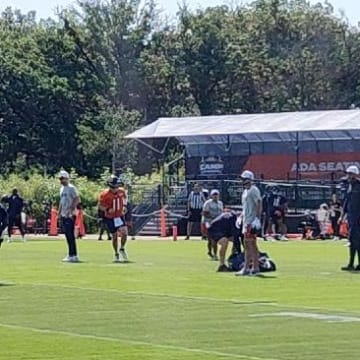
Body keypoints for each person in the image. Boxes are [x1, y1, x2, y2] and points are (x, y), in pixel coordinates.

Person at [236, 170, 262, 276]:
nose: (242, 181)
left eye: (244, 179)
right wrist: (241, 217)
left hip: (251, 221)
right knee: (247, 244)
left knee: (251, 243)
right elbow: (245, 207)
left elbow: (259, 203)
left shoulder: (253, 190)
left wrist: (257, 218)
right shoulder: (245, 192)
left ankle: (253, 267)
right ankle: (248, 267)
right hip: (246, 220)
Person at [98, 175, 129, 263]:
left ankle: (122, 248)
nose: (115, 188)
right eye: (113, 187)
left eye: (116, 186)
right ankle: (116, 253)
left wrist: (124, 206)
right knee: (114, 236)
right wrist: (107, 209)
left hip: (119, 215)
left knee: (125, 232)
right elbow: (100, 206)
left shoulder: (121, 191)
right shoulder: (105, 194)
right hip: (110, 217)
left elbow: (125, 198)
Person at [58, 170, 81, 263]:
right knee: (67, 235)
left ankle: (73, 255)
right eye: (60, 179)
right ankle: (71, 254)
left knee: (70, 235)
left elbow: (77, 199)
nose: (61, 180)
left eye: (62, 178)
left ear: (66, 178)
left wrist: (71, 210)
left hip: (70, 215)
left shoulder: (71, 188)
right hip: (64, 214)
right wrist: (59, 212)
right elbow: (61, 201)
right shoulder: (61, 189)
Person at [341, 165, 360, 271]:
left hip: (358, 218)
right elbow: (346, 202)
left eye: (350, 173)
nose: (348, 175)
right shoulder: (349, 186)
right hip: (351, 218)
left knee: (356, 241)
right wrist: (342, 215)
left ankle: (353, 264)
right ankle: (351, 263)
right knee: (353, 241)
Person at [202, 189, 223, 260]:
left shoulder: (220, 203)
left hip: (218, 223)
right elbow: (204, 213)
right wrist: (213, 217)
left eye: (216, 195)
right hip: (209, 222)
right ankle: (210, 251)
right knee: (210, 239)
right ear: (211, 195)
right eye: (214, 195)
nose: (215, 196)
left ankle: (215, 254)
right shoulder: (207, 203)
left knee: (215, 239)